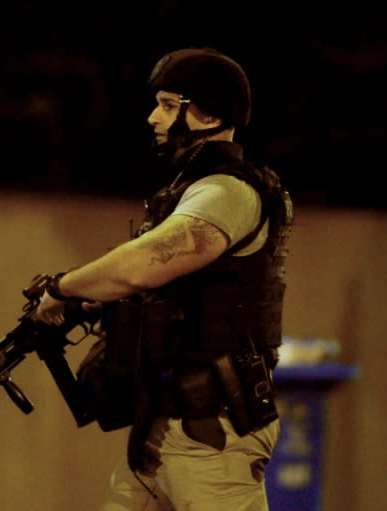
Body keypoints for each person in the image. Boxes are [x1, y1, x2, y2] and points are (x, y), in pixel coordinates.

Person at [35, 47, 293, 511]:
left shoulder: (226, 192)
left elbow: (143, 263)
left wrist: (63, 287)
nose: (154, 116)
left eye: (171, 105)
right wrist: (100, 307)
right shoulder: (190, 190)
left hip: (211, 438)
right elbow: (169, 294)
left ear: (210, 114)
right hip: (159, 430)